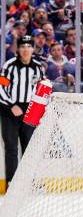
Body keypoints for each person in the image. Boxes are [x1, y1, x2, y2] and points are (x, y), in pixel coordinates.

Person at [0, 36, 45, 186]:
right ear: (18, 49)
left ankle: (29, 182)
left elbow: (42, 88)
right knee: (11, 147)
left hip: (30, 109)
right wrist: (12, 105)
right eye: (22, 46)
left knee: (30, 147)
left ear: (33, 49)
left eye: (28, 46)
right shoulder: (9, 66)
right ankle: (12, 182)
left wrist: (40, 109)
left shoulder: (38, 67)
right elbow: (1, 87)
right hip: (10, 110)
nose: (25, 49)